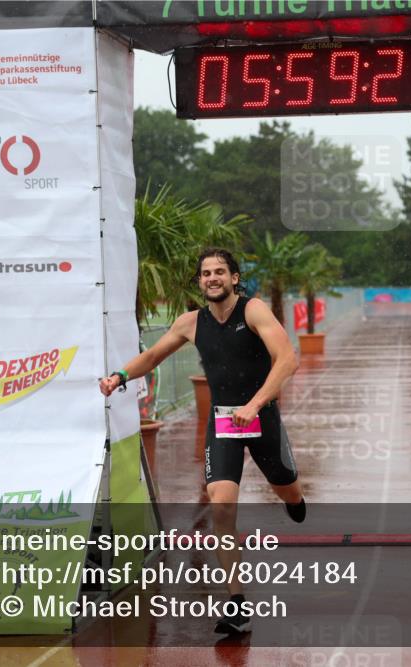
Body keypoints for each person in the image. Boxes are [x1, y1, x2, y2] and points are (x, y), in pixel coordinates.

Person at [99, 248, 305, 635]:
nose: (212, 278)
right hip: (224, 422)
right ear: (199, 281)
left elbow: (287, 359)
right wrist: (119, 376)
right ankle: (237, 603)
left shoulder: (254, 311)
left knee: (286, 487)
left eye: (220, 272)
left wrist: (255, 404)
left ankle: (293, 497)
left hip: (261, 416)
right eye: (206, 273)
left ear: (234, 278)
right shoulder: (191, 323)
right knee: (221, 504)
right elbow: (152, 356)